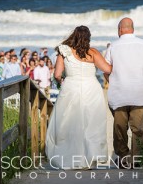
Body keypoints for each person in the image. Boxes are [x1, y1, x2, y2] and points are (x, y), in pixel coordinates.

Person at [45, 26, 112, 169]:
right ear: (88, 37)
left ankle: (69, 158)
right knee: (91, 123)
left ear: (74, 36)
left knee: (68, 122)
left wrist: (60, 80)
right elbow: (107, 69)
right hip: (91, 89)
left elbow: (57, 74)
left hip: (71, 87)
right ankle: (89, 159)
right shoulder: (93, 52)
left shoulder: (64, 51)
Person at [104, 18, 143, 169]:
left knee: (119, 129)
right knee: (138, 130)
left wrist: (113, 80)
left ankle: (124, 157)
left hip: (119, 94)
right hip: (140, 94)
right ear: (133, 29)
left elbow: (106, 71)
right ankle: (136, 159)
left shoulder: (113, 46)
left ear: (120, 30)